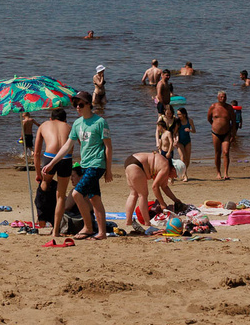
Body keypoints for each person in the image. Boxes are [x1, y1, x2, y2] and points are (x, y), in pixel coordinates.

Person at [41, 94, 112, 241]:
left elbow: (108, 146)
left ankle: (88, 227)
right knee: (95, 199)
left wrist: (108, 169)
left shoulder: (100, 122)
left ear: (88, 104)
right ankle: (102, 233)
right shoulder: (77, 124)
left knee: (76, 194)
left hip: (97, 163)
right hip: (85, 164)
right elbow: (67, 146)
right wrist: (52, 163)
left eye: (80, 104)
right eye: (75, 105)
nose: (77, 108)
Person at [33, 107, 73, 237]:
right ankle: (56, 230)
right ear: (65, 119)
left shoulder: (44, 125)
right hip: (66, 158)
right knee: (61, 195)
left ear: (50, 118)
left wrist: (38, 173)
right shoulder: (69, 126)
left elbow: (37, 153)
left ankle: (42, 217)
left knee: (44, 185)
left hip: (50, 157)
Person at [123, 152, 185, 228]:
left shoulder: (165, 164)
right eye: (176, 175)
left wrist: (175, 200)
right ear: (174, 170)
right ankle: (147, 222)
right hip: (138, 165)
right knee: (142, 195)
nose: (175, 177)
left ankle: (128, 221)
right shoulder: (165, 167)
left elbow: (164, 187)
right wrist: (162, 203)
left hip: (130, 161)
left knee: (133, 194)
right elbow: (155, 187)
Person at [207, 91, 236, 180]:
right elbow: (209, 118)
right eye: (221, 97)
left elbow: (234, 122)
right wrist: (215, 125)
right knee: (217, 153)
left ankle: (226, 173)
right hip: (215, 133)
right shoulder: (213, 107)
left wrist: (233, 134)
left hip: (227, 133)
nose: (223, 99)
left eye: (224, 97)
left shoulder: (229, 108)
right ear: (218, 98)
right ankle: (218, 173)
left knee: (226, 152)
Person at [175, 107, 195, 179]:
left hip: (187, 141)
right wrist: (175, 140)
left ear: (184, 114)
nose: (178, 116)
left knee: (188, 160)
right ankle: (184, 175)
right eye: (177, 114)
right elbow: (175, 132)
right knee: (183, 158)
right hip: (179, 142)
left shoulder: (189, 120)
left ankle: (183, 171)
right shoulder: (177, 122)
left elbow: (194, 131)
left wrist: (189, 130)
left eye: (179, 114)